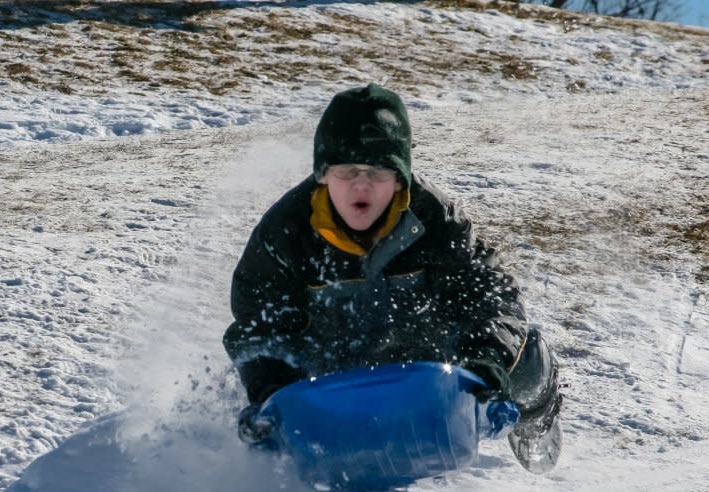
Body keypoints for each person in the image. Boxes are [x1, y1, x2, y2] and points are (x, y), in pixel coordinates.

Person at [223, 84, 562, 470]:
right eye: (347, 171)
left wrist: (484, 363)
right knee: (248, 404)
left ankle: (535, 419)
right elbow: (258, 325)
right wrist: (272, 392)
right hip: (332, 384)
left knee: (524, 353)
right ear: (323, 176)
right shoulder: (286, 233)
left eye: (378, 172)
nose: (361, 185)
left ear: (400, 179)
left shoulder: (434, 219)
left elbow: (490, 294)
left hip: (431, 375)